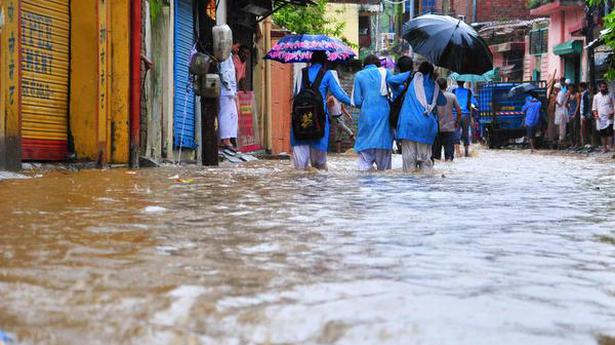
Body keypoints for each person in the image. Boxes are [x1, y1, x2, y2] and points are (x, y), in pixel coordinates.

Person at [291, 51, 351, 170]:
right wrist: (356, 103)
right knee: (319, 167)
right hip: (319, 122)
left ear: (311, 61)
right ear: (325, 62)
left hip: (300, 123)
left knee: (299, 169)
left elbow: (295, 95)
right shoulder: (328, 74)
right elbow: (340, 95)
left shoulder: (301, 73)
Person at [393, 61, 441, 172]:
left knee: (409, 165)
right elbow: (442, 102)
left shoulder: (412, 79)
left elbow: (391, 80)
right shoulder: (435, 86)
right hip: (427, 128)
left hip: (408, 126)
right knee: (426, 164)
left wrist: (400, 89)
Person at [352, 55, 395, 171]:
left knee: (364, 170)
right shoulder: (386, 73)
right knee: (384, 171)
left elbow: (357, 101)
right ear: (378, 65)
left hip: (366, 122)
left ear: (364, 65)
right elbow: (395, 93)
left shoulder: (359, 75)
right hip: (384, 125)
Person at [432, 78, 462, 161]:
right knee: (449, 159)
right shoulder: (452, 96)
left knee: (435, 158)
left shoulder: (433, 97)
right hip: (449, 129)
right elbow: (459, 112)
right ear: (446, 86)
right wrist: (456, 123)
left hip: (436, 130)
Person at [218, 56, 240, 149]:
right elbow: (223, 73)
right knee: (226, 115)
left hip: (230, 92)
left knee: (233, 115)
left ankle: (228, 138)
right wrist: (229, 88)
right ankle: (225, 139)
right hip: (225, 91)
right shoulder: (224, 57)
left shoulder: (229, 56)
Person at [453, 80, 478, 157]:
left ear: (457, 82)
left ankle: (457, 152)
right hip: (466, 115)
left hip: (456, 114)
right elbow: (474, 103)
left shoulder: (454, 91)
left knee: (456, 132)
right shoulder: (468, 92)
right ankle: (466, 153)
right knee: (466, 133)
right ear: (463, 82)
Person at [592, 81, 615, 153]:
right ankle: (604, 148)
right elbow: (594, 108)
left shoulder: (610, 94)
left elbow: (614, 105)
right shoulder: (596, 96)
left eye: (605, 87)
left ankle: (610, 147)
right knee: (603, 133)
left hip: (609, 117)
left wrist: (612, 112)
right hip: (600, 118)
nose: (605, 88)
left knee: (610, 132)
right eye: (603, 87)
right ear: (600, 88)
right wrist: (596, 115)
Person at [554, 83, 569, 148]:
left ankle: (561, 140)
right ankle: (561, 140)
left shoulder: (560, 94)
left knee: (562, 127)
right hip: (560, 112)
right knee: (561, 127)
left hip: (561, 112)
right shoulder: (560, 93)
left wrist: (555, 101)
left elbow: (560, 104)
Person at [579, 82, 592, 147]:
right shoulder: (586, 93)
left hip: (585, 114)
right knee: (585, 129)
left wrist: (583, 115)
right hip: (586, 114)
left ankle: (587, 143)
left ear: (581, 87)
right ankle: (586, 143)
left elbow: (585, 105)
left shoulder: (585, 94)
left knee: (585, 129)